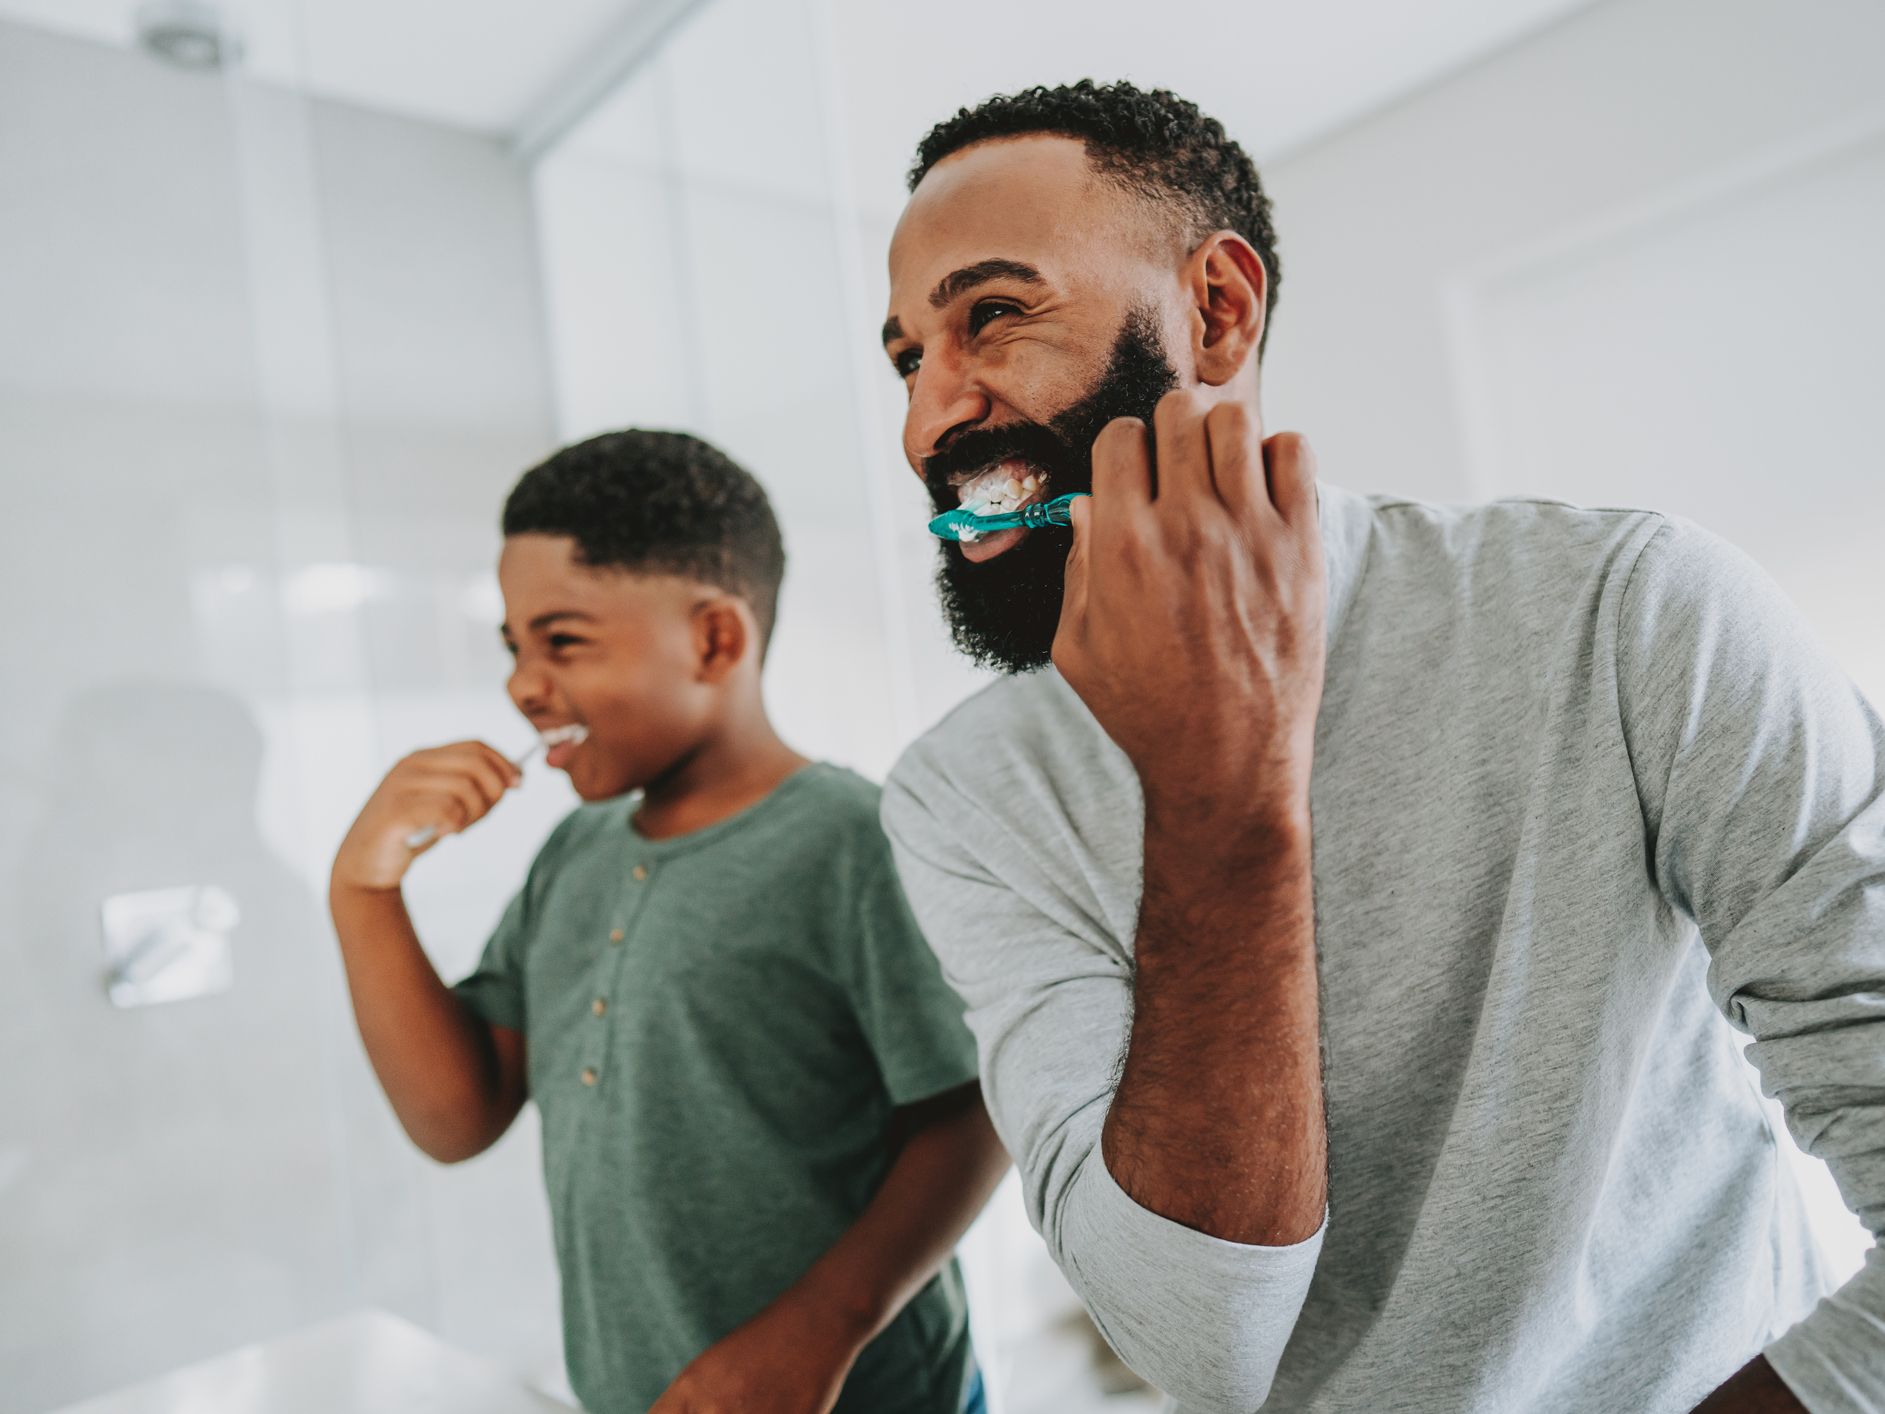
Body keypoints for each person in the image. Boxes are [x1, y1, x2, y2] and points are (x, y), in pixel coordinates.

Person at [876, 81, 1883, 1413]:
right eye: (904, 358)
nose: (925, 422)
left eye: (991, 315)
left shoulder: (1630, 613)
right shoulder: (962, 796)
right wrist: (1220, 798)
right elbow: (1199, 1346)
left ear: (1218, 313)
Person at [329, 430, 1007, 1414]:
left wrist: (818, 1327)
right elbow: (455, 1115)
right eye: (513, 646)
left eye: (560, 640)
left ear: (713, 641)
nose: (523, 682)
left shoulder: (851, 840)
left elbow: (971, 1111)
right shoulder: (576, 851)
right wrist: (363, 889)